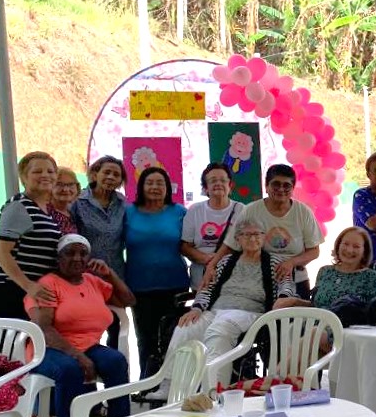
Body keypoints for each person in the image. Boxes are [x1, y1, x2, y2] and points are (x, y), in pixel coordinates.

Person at [164, 216, 298, 392]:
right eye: (247, 235)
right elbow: (207, 288)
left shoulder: (274, 263)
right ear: (238, 239)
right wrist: (196, 308)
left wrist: (282, 298)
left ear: (264, 237)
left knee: (220, 329)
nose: (252, 239)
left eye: (257, 234)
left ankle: (212, 390)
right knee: (185, 327)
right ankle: (171, 386)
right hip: (217, 309)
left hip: (250, 312)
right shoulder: (226, 262)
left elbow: (286, 285)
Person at [24, 234, 134, 417]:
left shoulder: (92, 281)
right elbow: (44, 328)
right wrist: (78, 356)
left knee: (116, 361)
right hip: (49, 348)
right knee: (69, 369)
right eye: (70, 253)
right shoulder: (49, 284)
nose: (77, 258)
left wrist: (109, 274)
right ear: (59, 258)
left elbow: (128, 300)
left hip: (88, 345)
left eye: (83, 254)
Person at [215, 164, 323, 297]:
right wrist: (211, 268)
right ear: (266, 187)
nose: (281, 189)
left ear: (293, 189)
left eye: (286, 185)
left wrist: (291, 263)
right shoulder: (251, 210)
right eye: (275, 184)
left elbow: (314, 251)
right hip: (257, 281)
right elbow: (230, 245)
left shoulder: (303, 212)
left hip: (296, 279)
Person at [126, 167, 190, 380]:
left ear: (167, 188)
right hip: (139, 286)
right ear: (141, 187)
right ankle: (147, 384)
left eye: (160, 183)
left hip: (175, 284)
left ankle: (173, 383)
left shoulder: (179, 212)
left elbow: (190, 244)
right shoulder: (128, 212)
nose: (155, 187)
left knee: (174, 337)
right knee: (146, 338)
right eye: (150, 183)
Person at [0, 151, 61, 320]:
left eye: (50, 171)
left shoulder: (45, 210)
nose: (45, 175)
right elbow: (1, 253)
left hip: (28, 292)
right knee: (7, 346)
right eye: (37, 171)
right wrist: (28, 285)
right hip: (9, 290)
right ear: (24, 176)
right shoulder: (19, 206)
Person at [73, 155, 128, 349]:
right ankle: (88, 377)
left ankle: (118, 376)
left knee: (116, 329)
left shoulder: (123, 205)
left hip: (114, 276)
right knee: (87, 331)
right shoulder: (77, 201)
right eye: (107, 172)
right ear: (95, 174)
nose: (111, 177)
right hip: (84, 278)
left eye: (116, 174)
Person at [181, 163, 244, 290]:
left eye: (223, 180)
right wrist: (207, 259)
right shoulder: (195, 210)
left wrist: (219, 260)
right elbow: (185, 246)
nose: (218, 184)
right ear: (205, 188)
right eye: (213, 181)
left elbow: (247, 245)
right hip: (201, 280)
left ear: (230, 185)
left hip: (233, 280)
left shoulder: (242, 210)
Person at [308, 227, 376, 310]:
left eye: (356, 246)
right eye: (346, 244)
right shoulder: (325, 271)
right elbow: (315, 305)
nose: (349, 250)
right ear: (338, 245)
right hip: (319, 322)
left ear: (364, 252)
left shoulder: (371, 277)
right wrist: (296, 302)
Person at [50, 168, 80, 235]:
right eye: (59, 184)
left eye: (71, 184)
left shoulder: (74, 212)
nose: (66, 189)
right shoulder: (46, 212)